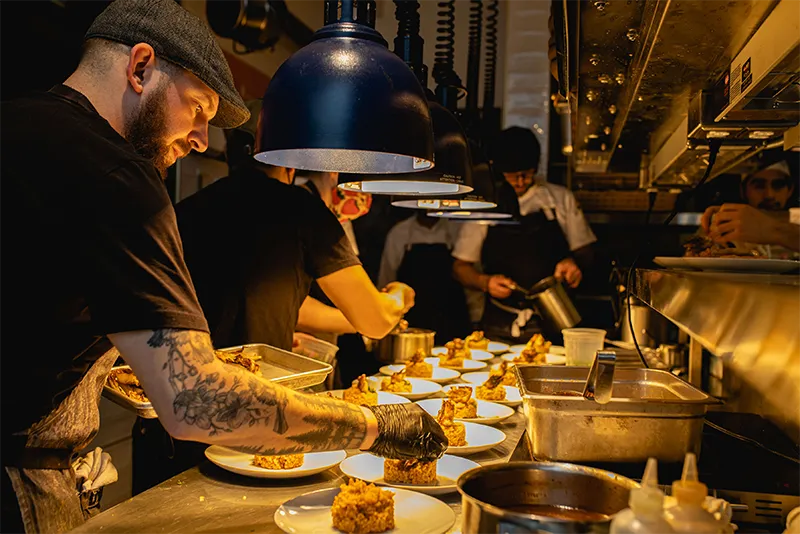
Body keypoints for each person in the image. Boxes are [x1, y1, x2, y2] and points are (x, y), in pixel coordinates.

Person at [0, 1, 445, 531]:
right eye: (198, 108)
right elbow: (195, 400)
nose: (201, 140)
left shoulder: (17, 124)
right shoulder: (116, 176)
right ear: (141, 67)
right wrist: (376, 425)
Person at [132, 101, 420, 492]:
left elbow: (285, 303)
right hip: (251, 427)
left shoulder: (185, 210)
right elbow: (375, 321)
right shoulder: (301, 209)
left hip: (169, 425)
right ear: (293, 159)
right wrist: (398, 297)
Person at [452, 126, 597, 343]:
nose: (520, 181)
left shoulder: (560, 199)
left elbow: (587, 252)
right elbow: (460, 268)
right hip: (500, 325)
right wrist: (485, 282)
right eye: (512, 176)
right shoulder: (485, 204)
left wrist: (573, 263)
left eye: (526, 174)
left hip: (557, 320)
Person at [379, 211, 471, 344]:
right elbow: (387, 278)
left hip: (452, 317)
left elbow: (467, 273)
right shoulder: (399, 232)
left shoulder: (456, 229)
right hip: (413, 321)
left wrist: (475, 314)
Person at [700, 159, 800, 254]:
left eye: (778, 185)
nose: (769, 195)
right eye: (759, 186)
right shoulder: (722, 228)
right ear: (743, 190)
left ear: (790, 190)